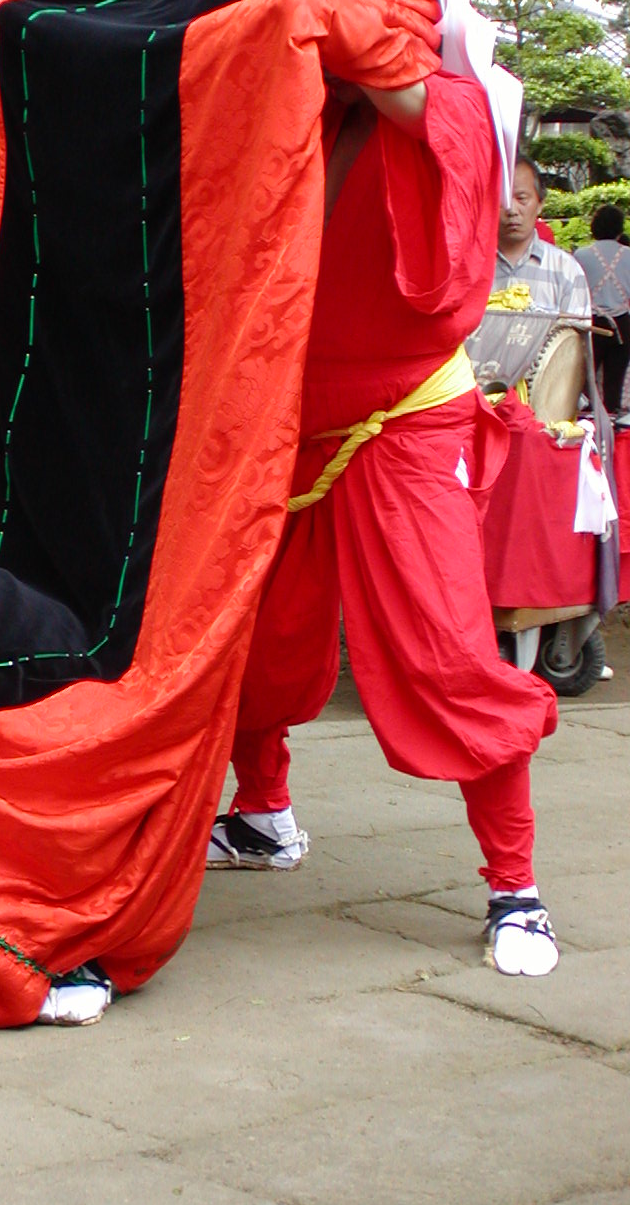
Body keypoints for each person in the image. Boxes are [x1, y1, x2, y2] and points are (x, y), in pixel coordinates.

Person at [206, 73, 564, 978]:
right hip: (287, 414)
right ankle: (262, 813)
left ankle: (515, 887)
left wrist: (359, 44)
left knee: (444, 651)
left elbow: (419, 106)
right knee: (251, 635)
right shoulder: (288, 102)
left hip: (407, 416)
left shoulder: (454, 96)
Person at [492, 158, 591, 319]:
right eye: (502, 199)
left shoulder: (566, 270)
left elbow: (576, 334)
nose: (512, 210)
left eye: (522, 198)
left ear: (540, 204)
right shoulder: (469, 268)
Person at [575, 203, 630, 414]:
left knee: (585, 379)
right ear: (619, 227)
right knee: (615, 381)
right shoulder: (628, 255)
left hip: (592, 324)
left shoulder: (581, 255)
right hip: (623, 324)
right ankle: (613, 418)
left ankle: (586, 419)